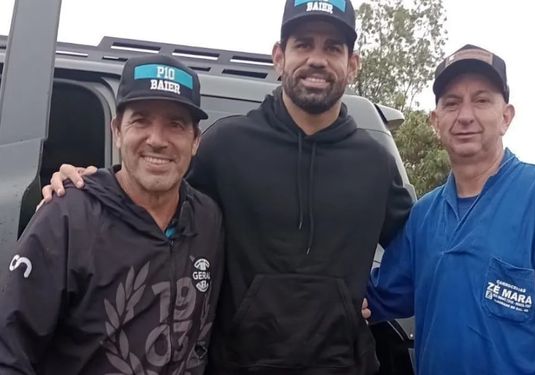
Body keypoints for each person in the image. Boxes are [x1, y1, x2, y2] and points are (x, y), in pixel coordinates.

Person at [39, 1, 413, 374]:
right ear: (279, 57)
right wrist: (89, 188)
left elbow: (418, 248)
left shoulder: (374, 163)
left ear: (352, 64)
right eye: (303, 44)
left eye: (333, 47)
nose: (317, 58)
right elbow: (151, 201)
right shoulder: (226, 146)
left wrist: (372, 300)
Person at [366, 44, 535, 374]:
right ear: (435, 120)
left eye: (481, 100)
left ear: (506, 117)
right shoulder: (424, 218)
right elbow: (375, 296)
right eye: (452, 103)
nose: (465, 115)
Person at [0, 54, 225, 374]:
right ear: (118, 130)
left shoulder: (208, 221)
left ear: (195, 141)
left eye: (175, 124)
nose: (157, 140)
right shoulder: (66, 219)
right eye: (141, 120)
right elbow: (9, 351)